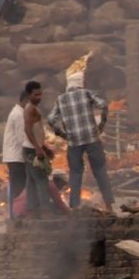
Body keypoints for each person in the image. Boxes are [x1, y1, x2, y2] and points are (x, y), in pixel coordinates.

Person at [47, 70, 115, 213]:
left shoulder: (61, 99)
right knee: (100, 171)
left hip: (74, 142)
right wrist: (101, 125)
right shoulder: (86, 94)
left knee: (76, 174)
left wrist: (63, 134)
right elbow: (103, 105)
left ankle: (75, 206)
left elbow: (51, 119)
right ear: (80, 83)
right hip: (92, 139)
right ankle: (109, 205)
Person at [22, 81, 51, 216]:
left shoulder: (34, 107)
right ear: (29, 95)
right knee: (41, 180)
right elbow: (27, 130)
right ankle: (45, 211)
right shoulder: (29, 109)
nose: (39, 97)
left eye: (40, 94)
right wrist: (37, 148)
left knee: (32, 181)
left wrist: (43, 146)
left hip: (32, 148)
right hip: (31, 151)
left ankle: (31, 210)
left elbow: (36, 129)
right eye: (36, 95)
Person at [2, 86, 30, 217]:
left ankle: (16, 213)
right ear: (25, 100)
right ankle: (16, 215)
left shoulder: (17, 112)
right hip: (16, 157)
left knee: (17, 186)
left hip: (14, 156)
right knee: (18, 186)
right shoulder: (18, 114)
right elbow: (22, 138)